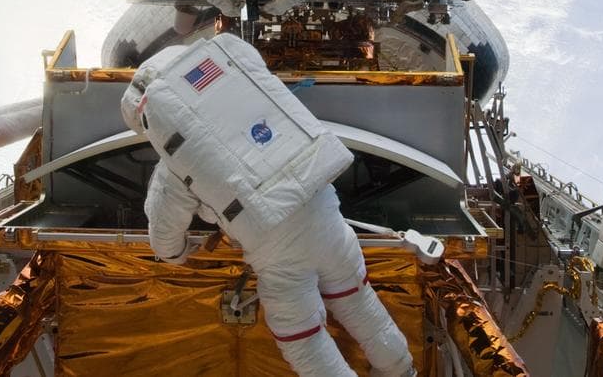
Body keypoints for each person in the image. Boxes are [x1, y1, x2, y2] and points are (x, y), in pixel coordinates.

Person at [120, 36, 416, 377]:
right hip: (324, 212)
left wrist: (176, 253)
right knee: (359, 302)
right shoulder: (237, 76)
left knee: (306, 341)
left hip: (277, 250)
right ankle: (400, 369)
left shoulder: (176, 158)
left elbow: (164, 225)